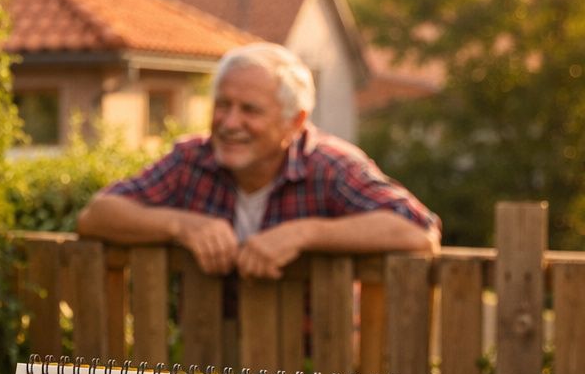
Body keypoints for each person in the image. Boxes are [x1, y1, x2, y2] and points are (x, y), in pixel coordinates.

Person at [77, 43, 439, 277]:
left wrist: (305, 233)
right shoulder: (191, 159)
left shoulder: (331, 166)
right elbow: (96, 215)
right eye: (223, 105)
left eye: (250, 110)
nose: (230, 123)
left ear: (295, 121)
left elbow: (419, 231)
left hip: (318, 365)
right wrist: (181, 225)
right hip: (209, 361)